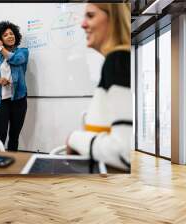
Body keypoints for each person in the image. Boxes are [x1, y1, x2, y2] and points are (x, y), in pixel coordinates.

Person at [66, 3, 132, 171]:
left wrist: (74, 138)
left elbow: (124, 151)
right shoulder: (118, 60)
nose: (83, 24)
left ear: (113, 18)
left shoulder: (117, 60)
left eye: (90, 15)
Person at [0, 21, 29, 151]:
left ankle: (12, 166)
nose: (10, 36)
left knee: (14, 136)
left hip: (19, 100)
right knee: (0, 136)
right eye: (5, 35)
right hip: (0, 102)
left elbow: (15, 60)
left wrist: (1, 48)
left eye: (12, 33)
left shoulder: (23, 52)